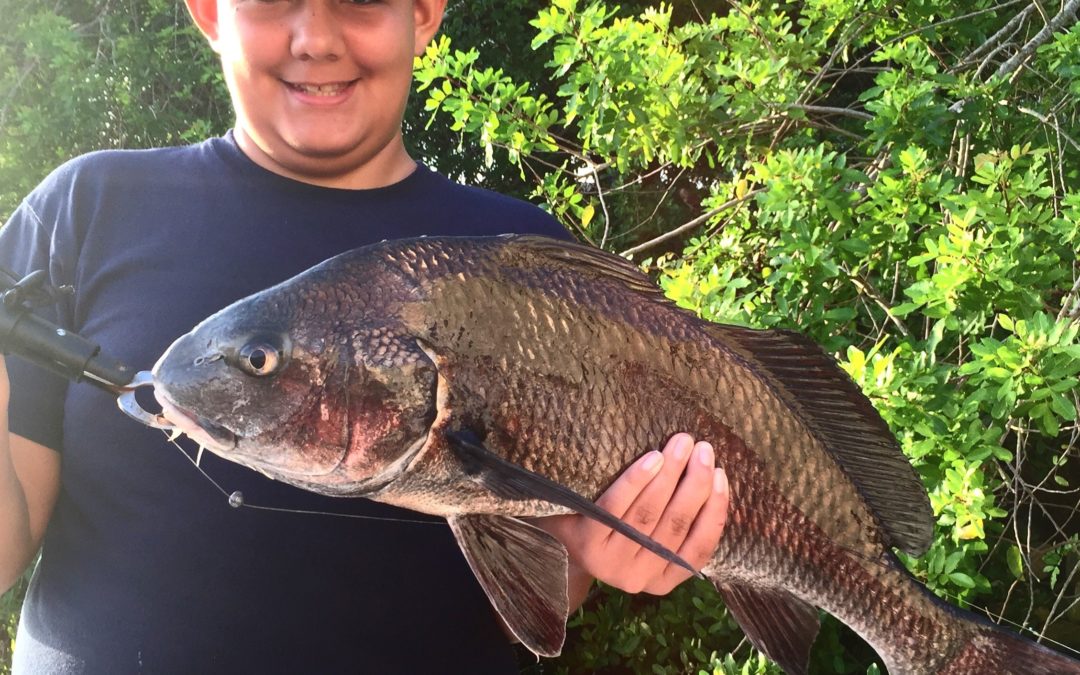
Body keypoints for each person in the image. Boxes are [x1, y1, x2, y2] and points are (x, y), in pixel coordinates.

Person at [0, 1, 730, 672]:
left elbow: (548, 587)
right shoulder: (85, 211)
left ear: (424, 12)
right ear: (208, 12)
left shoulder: (531, 270)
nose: (316, 39)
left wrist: (601, 551)